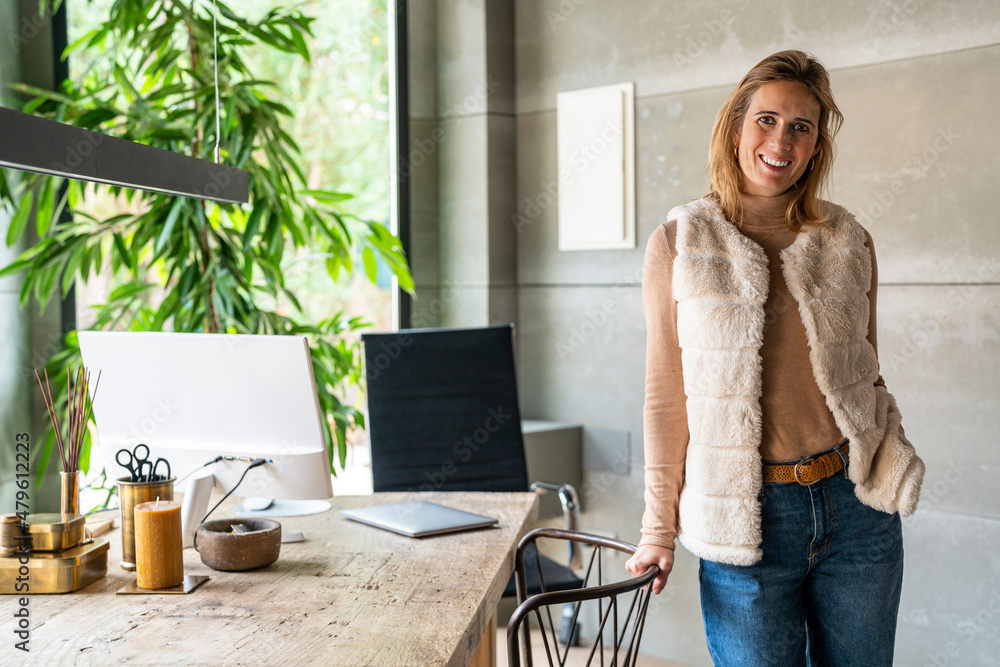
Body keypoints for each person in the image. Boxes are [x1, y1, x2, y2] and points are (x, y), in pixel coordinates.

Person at [624, 50, 925, 666]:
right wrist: (658, 529)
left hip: (856, 509)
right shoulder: (680, 241)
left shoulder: (849, 239)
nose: (780, 140)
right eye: (766, 119)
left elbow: (867, 373)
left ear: (816, 146)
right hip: (746, 521)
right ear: (735, 126)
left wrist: (892, 452)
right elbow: (665, 395)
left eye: (801, 127)